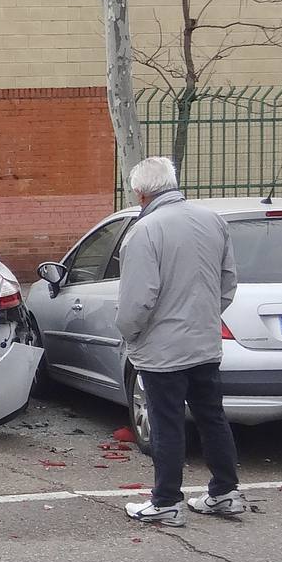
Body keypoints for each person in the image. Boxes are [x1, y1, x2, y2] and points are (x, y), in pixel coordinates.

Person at [115, 156, 243, 526]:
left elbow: (138, 299)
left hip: (162, 347)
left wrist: (130, 332)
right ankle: (225, 492)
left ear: (140, 192)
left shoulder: (144, 231)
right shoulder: (211, 220)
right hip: (204, 342)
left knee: (166, 421)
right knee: (212, 416)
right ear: (172, 183)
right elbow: (227, 282)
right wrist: (205, 316)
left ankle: (166, 500)